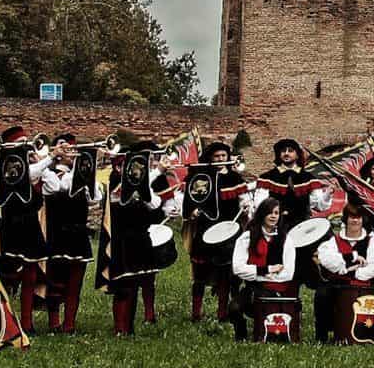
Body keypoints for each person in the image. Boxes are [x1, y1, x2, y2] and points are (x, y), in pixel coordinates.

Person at [102, 143, 181, 336]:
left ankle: (128, 328)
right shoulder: (115, 182)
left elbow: (154, 204)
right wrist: (157, 172)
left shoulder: (141, 184)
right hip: (121, 240)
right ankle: (119, 328)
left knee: (136, 282)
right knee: (123, 285)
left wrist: (151, 187)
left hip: (140, 237)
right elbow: (123, 194)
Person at [0, 125, 51, 335]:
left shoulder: (34, 166)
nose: (26, 146)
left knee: (30, 274)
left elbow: (50, 185)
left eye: (26, 142)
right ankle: (4, 320)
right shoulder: (7, 166)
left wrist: (41, 161)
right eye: (20, 143)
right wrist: (50, 159)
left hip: (30, 223)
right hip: (10, 224)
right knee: (7, 274)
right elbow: (25, 176)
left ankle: (27, 322)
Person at [183, 142, 249, 324]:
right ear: (210, 158)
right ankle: (196, 313)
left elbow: (244, 201)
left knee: (225, 275)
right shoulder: (200, 177)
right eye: (216, 157)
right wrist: (192, 211)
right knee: (200, 274)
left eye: (223, 156)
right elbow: (189, 200)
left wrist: (245, 206)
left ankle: (222, 313)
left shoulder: (235, 178)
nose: (220, 159)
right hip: (205, 230)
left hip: (229, 231)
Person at [40, 133, 98, 334]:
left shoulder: (81, 174)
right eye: (65, 147)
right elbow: (61, 186)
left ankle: (69, 323)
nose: (71, 152)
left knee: (75, 283)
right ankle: (54, 321)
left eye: (73, 148)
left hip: (78, 232)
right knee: (55, 280)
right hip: (57, 233)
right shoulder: (49, 173)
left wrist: (87, 167)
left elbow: (96, 196)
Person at [231, 196, 299, 342]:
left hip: (277, 289)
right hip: (253, 288)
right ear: (262, 214)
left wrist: (255, 274)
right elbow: (237, 268)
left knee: (266, 313)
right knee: (234, 308)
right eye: (270, 212)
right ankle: (241, 334)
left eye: (276, 213)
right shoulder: (247, 237)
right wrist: (266, 270)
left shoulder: (286, 239)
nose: (273, 216)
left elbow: (288, 273)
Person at [314, 202, 374, 344]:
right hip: (336, 284)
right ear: (345, 219)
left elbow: (373, 268)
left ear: (363, 219)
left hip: (361, 285)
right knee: (322, 294)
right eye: (352, 217)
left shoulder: (371, 241)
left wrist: (349, 272)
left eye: (358, 217)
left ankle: (362, 333)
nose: (355, 220)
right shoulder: (334, 240)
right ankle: (323, 335)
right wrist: (353, 258)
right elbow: (328, 261)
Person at [252, 138, 330, 233]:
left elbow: (319, 206)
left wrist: (328, 194)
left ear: (297, 155)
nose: (286, 153)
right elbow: (260, 205)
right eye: (283, 151)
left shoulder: (308, 178)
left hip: (302, 227)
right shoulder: (267, 178)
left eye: (290, 151)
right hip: (276, 227)